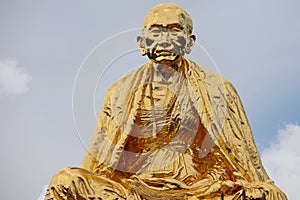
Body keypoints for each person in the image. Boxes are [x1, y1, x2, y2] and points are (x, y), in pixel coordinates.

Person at [45, 3, 287, 200]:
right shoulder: (119, 92)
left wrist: (213, 184)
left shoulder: (217, 89)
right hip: (133, 190)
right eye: (156, 32)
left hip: (196, 189)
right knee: (66, 181)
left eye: (174, 30)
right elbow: (99, 163)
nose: (165, 40)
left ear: (190, 42)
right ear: (142, 43)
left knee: (269, 195)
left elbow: (238, 158)